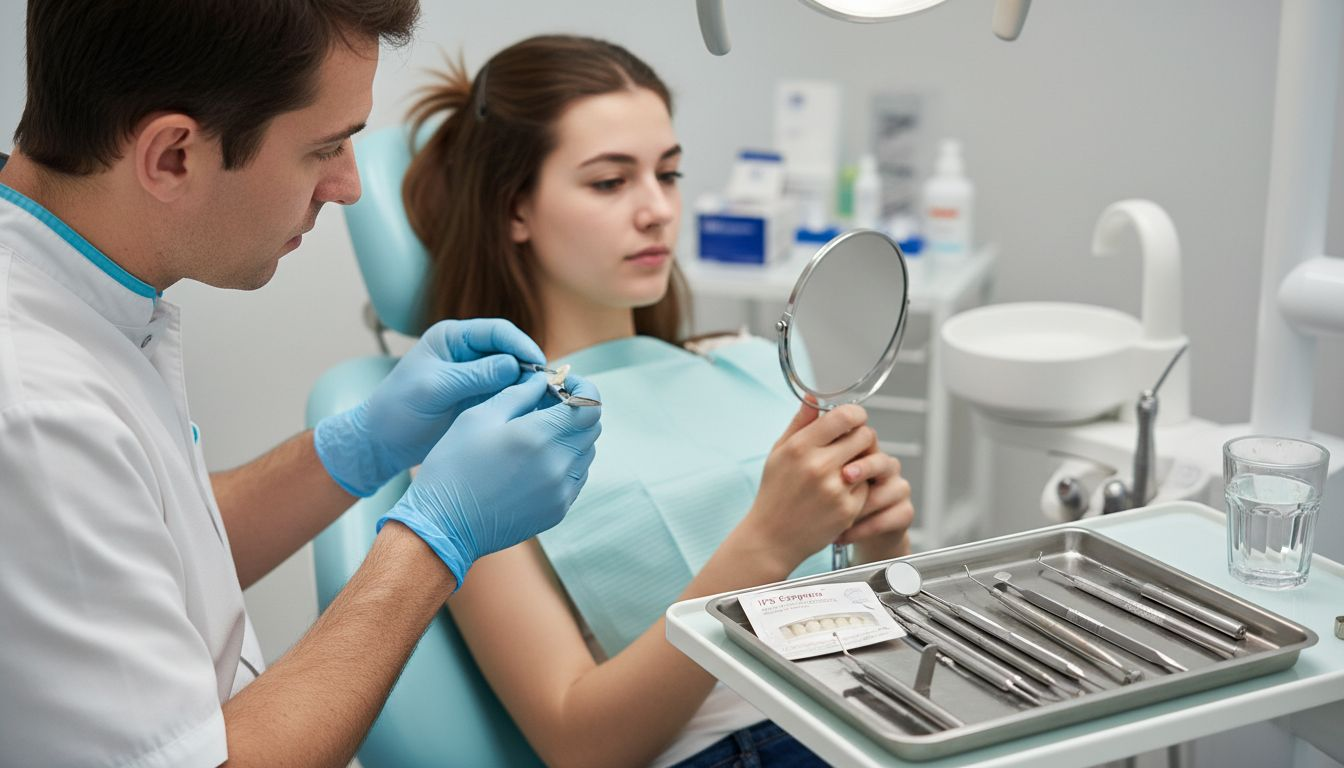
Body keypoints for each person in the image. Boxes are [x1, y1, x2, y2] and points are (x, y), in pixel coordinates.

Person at [0, 3, 602, 767]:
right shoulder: (33, 405)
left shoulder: (80, 296)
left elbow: (128, 544)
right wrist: (436, 539)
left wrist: (358, 448)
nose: (350, 187)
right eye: (327, 147)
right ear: (173, 156)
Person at [403, 35, 915, 768]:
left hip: (879, 709)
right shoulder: (480, 448)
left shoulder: (746, 362)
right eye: (610, 183)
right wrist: (765, 544)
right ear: (515, 208)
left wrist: (880, 544)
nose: (657, 211)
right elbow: (579, 744)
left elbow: (883, 633)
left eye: (668, 174)